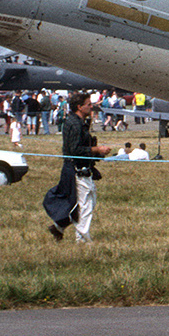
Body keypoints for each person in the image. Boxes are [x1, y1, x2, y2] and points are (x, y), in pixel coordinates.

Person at [44, 92, 112, 242]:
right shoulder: (74, 124)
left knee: (88, 201)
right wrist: (97, 149)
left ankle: (58, 227)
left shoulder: (80, 122)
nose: (91, 107)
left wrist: (98, 154)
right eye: (88, 104)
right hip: (76, 169)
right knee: (85, 205)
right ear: (79, 107)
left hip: (84, 168)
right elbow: (74, 150)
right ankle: (82, 239)